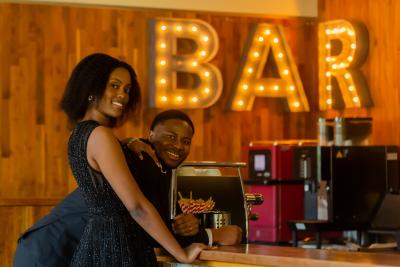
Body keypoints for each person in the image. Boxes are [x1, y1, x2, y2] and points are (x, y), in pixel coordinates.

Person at [14, 108, 242, 267]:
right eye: (171, 137)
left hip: (80, 250)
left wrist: (190, 226)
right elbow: (144, 221)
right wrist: (212, 235)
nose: (178, 146)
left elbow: (160, 222)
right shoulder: (140, 159)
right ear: (150, 135)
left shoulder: (162, 169)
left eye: (186, 141)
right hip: (51, 247)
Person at [38, 53, 204, 266]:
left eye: (126, 89)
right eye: (114, 86)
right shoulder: (101, 136)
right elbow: (137, 207)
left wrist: (126, 142)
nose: (123, 95)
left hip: (96, 244)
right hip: (118, 248)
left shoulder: (78, 134)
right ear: (92, 88)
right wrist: (182, 254)